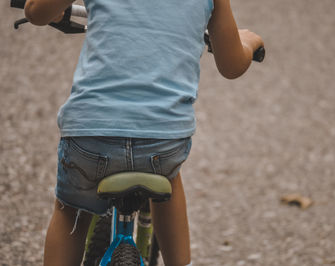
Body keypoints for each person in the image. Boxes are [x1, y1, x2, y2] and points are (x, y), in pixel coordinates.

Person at [24, 0, 264, 265]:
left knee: (70, 212)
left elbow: (35, 12)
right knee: (168, 178)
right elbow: (231, 66)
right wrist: (247, 43)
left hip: (90, 136)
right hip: (163, 143)